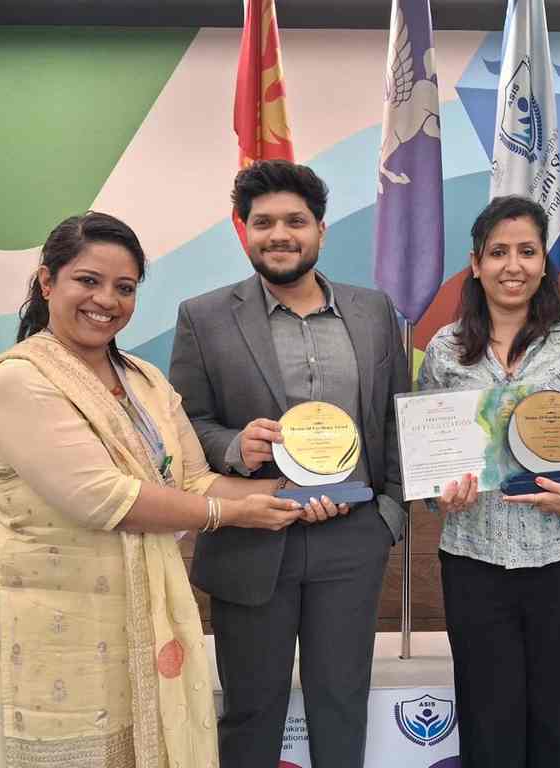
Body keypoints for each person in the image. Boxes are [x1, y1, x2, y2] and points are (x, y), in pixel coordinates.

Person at [0, 212, 306, 768]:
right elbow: (103, 498)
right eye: (88, 281)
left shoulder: (143, 379)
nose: (106, 300)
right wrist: (231, 514)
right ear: (48, 283)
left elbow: (193, 479)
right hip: (38, 625)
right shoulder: (20, 381)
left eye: (125, 287)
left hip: (132, 622)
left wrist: (293, 491)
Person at [169, 160, 409, 768]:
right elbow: (184, 424)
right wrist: (233, 446)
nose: (280, 234)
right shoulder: (203, 316)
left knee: (342, 703)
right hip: (251, 535)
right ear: (243, 231)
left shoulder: (374, 312)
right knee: (251, 710)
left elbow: (396, 417)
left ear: (320, 230)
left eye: (295, 221)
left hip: (352, 538)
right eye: (264, 222)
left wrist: (387, 515)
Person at [417, 196, 560, 768]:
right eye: (498, 253)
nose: (512, 266)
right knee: (489, 728)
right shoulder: (444, 349)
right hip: (475, 563)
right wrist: (441, 494)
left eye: (527, 251)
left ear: (544, 262)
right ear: (475, 264)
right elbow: (429, 460)